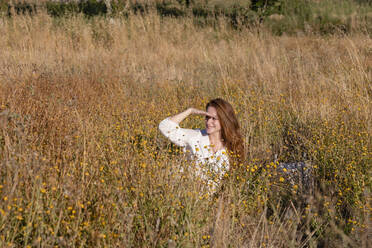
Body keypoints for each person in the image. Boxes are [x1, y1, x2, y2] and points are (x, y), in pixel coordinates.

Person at [158, 98, 245, 187]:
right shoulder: (195, 137)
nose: (208, 122)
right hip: (188, 195)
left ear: (224, 120)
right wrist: (190, 111)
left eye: (214, 118)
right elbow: (165, 127)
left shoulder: (231, 145)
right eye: (207, 117)